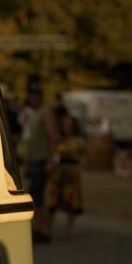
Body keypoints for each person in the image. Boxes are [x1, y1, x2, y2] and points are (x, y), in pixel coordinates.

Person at [20, 85, 58, 243]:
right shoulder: (31, 113)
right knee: (34, 194)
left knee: (40, 195)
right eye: (31, 95)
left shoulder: (46, 112)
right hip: (33, 158)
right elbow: (28, 138)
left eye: (36, 95)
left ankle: (43, 229)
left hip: (42, 158)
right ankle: (37, 228)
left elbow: (52, 137)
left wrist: (51, 160)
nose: (34, 98)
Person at [46, 115, 85, 240]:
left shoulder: (78, 141)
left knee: (71, 203)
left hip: (72, 173)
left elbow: (86, 156)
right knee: (53, 202)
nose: (68, 127)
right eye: (66, 124)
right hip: (58, 172)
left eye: (70, 124)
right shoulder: (58, 140)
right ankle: (48, 229)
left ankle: (67, 230)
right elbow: (52, 154)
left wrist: (80, 166)